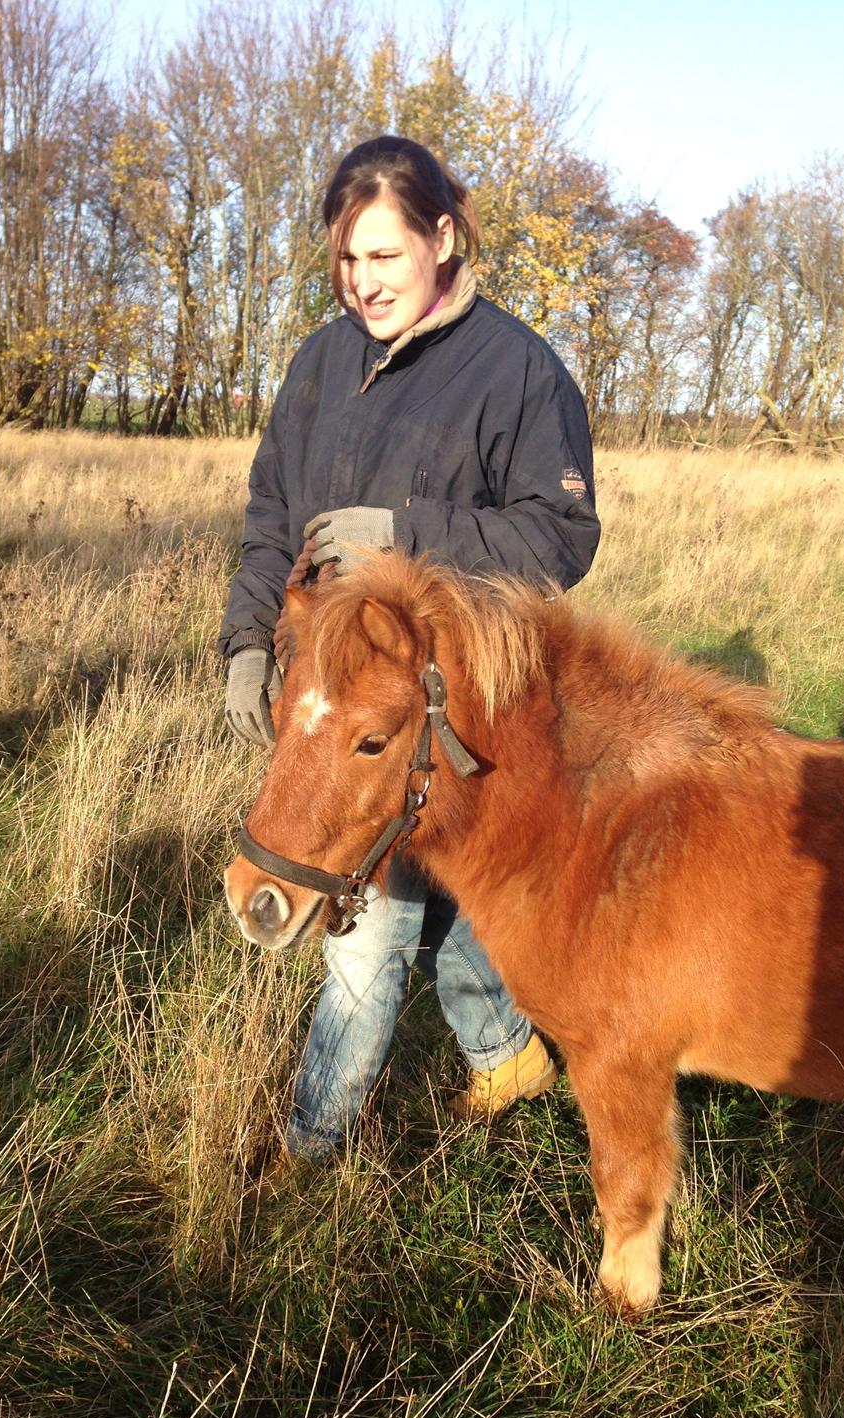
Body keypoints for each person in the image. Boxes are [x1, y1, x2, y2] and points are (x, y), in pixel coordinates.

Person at [219, 135, 601, 1162]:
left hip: (428, 713)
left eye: (384, 257)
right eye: (347, 260)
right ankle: (508, 1051)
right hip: (328, 700)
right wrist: (248, 643)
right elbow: (270, 516)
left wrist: (406, 532)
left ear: (443, 237)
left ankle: (304, 1149)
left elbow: (562, 539)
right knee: (440, 901)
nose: (362, 282)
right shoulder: (317, 360)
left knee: (367, 935)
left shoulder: (518, 371)